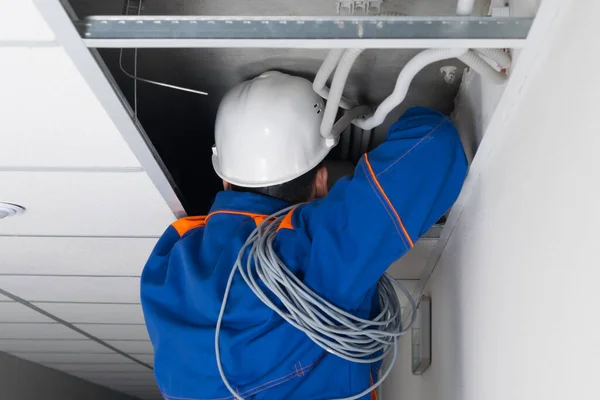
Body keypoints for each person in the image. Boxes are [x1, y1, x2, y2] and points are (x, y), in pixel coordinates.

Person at [141, 71, 468, 399]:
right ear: (322, 181)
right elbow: (433, 143)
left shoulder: (167, 265)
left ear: (225, 180)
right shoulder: (308, 257)